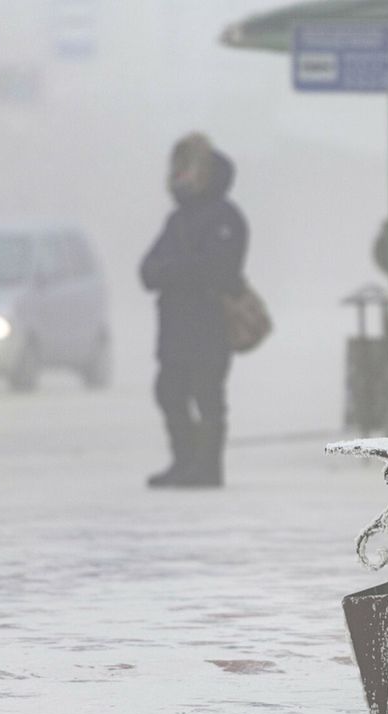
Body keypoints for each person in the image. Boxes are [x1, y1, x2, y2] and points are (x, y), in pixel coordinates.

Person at [140, 133, 248, 488]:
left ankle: (207, 468)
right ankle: (184, 461)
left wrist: (174, 270)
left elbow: (217, 269)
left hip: (210, 325)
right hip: (174, 327)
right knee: (169, 393)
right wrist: (176, 270)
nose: (180, 176)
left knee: (207, 398)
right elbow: (148, 269)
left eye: (188, 168)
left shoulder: (224, 217)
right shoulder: (178, 220)